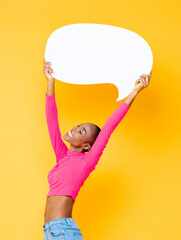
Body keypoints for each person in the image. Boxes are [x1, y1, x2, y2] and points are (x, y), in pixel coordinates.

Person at [42, 58, 151, 239]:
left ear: (86, 145)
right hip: (50, 231)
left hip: (63, 231)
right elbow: (51, 120)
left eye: (82, 131)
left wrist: (135, 91)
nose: (75, 128)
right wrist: (50, 82)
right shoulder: (62, 157)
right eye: (78, 125)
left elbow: (109, 126)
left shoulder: (86, 162)